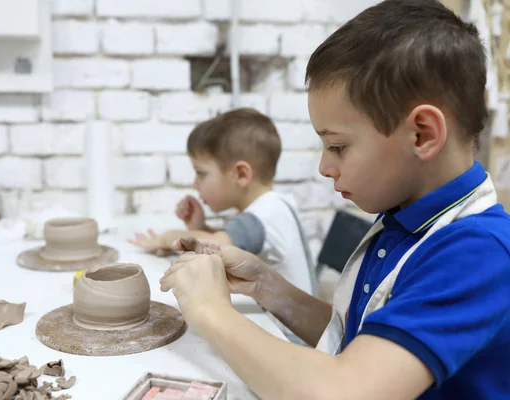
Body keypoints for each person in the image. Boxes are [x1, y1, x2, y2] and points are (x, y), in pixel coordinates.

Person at [159, 1, 510, 398]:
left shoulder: (479, 253)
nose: (325, 167)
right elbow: (365, 342)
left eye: (338, 147)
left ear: (422, 134)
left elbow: (348, 390)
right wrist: (267, 286)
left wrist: (210, 311)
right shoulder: (405, 218)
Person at [130, 108, 316, 296]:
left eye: (201, 173)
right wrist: (200, 226)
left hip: (282, 325)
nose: (195, 185)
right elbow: (232, 245)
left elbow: (213, 245)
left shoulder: (263, 216)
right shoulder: (273, 206)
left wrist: (164, 238)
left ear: (241, 174)